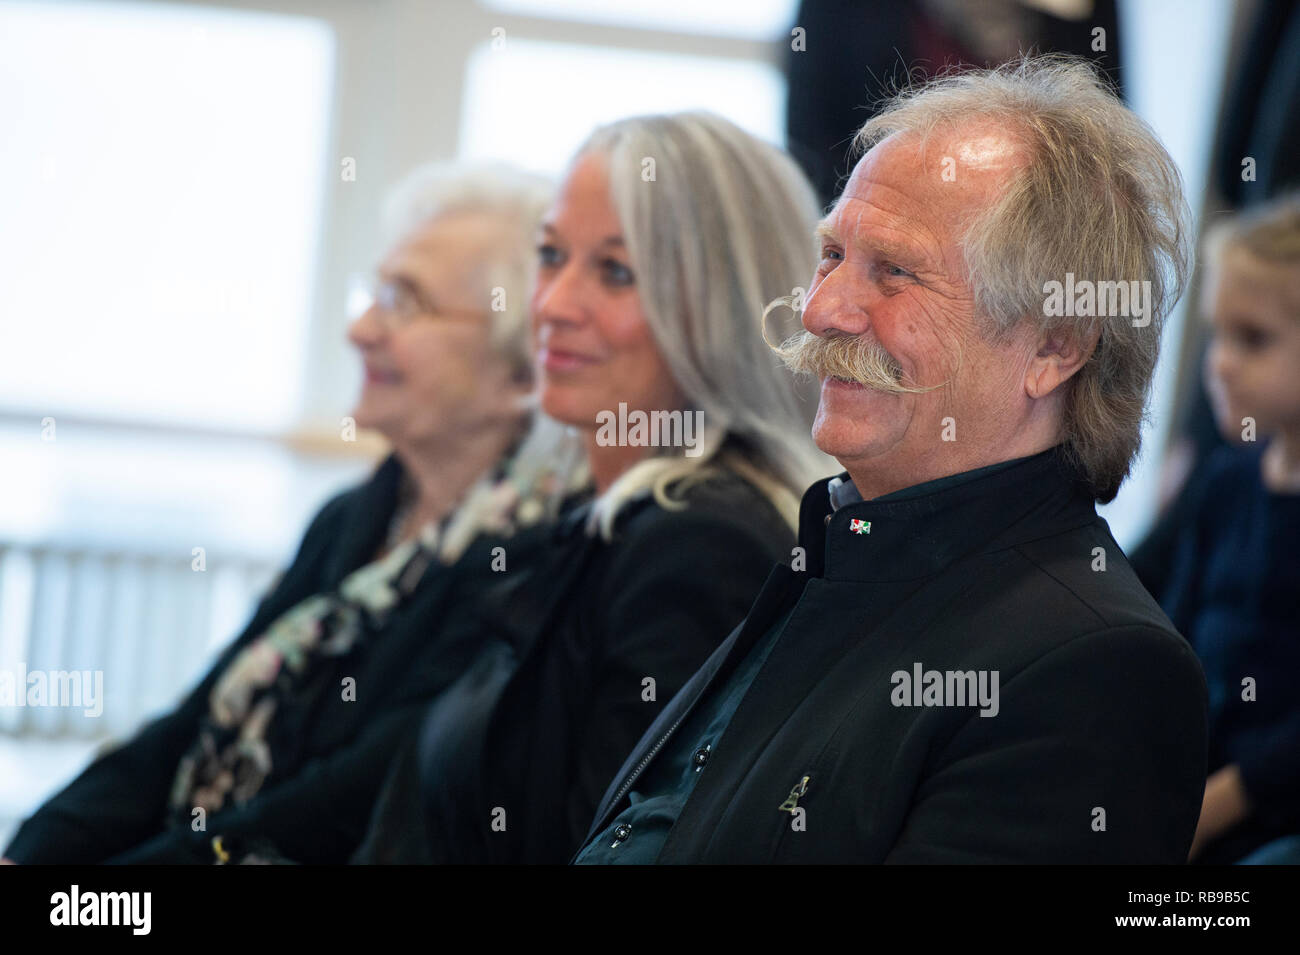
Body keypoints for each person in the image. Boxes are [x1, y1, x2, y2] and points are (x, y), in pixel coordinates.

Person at [576, 56, 1209, 865]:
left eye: (895, 272)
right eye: (832, 254)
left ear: (1055, 345)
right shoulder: (841, 552)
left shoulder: (1098, 670)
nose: (820, 308)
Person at [2, 163, 577, 864]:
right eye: (375, 292)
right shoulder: (352, 518)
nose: (362, 327)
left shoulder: (531, 560)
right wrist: (37, 848)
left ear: (520, 374)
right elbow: (188, 724)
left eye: (406, 300)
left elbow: (339, 806)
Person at [353, 111, 831, 864]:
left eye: (614, 271)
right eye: (550, 256)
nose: (550, 305)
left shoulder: (703, 545)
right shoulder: (593, 513)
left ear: (717, 308)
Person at [1159, 196, 1300, 865]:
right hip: (1194, 784)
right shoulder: (1225, 482)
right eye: (1218, 334)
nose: (1218, 363)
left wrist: (1215, 806)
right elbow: (1172, 636)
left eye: (1253, 338)